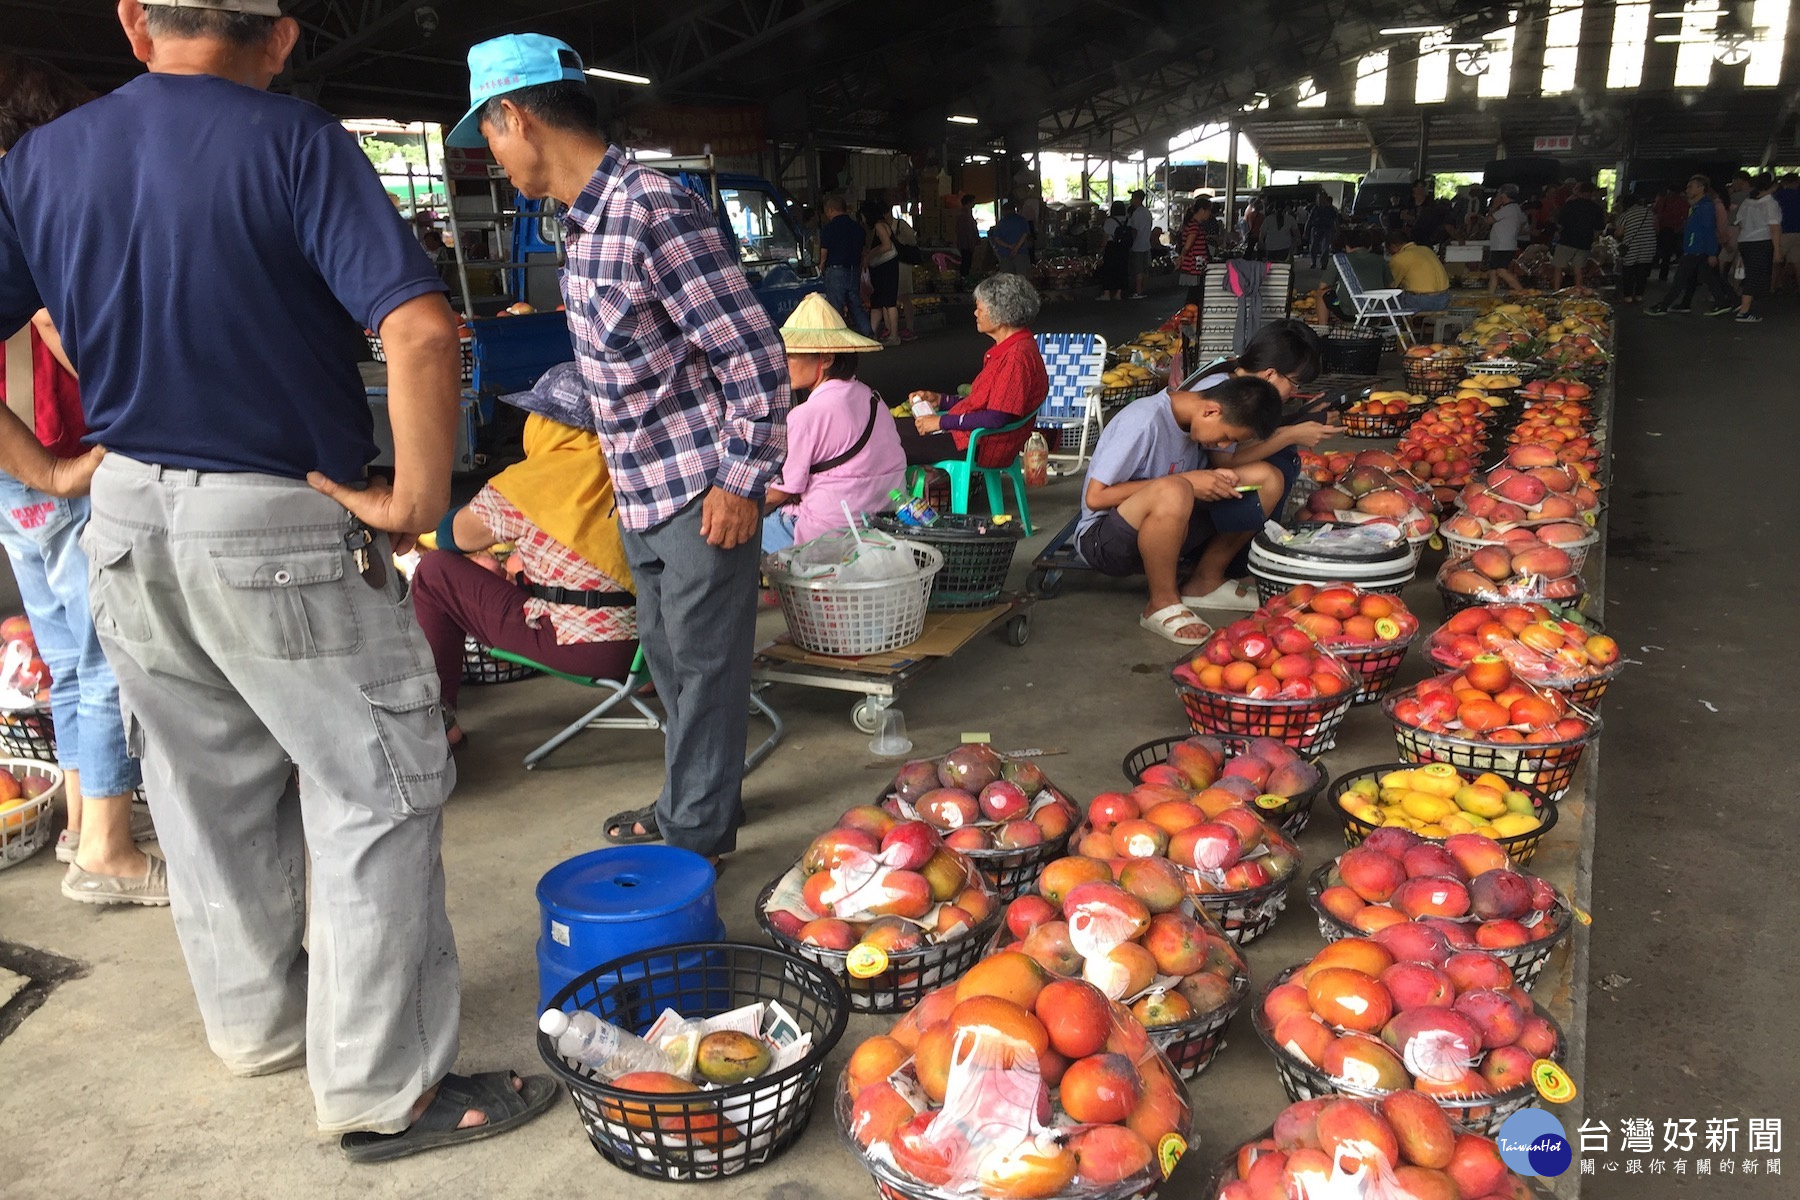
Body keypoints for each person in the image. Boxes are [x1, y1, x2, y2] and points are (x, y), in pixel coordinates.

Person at [1, 1, 561, 1158]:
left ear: (134, 24)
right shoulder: (295, 143)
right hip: (271, 518)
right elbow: (416, 331)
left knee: (205, 789)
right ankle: (381, 1092)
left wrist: (46, 466)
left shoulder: (44, 158)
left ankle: (257, 1026)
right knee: (378, 789)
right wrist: (414, 502)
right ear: (285, 36)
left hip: (124, 512)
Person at [450, 38, 788, 859]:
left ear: (515, 118)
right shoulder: (578, 223)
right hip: (639, 492)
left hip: (700, 491)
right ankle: (690, 805)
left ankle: (695, 835)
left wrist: (741, 482)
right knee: (673, 668)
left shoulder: (651, 209)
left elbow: (752, 354)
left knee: (706, 673)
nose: (491, 158)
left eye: (488, 136)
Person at [0, 52, 164, 907]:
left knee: (67, 653)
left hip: (15, 479)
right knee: (105, 651)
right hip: (52, 464)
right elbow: (72, 337)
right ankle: (106, 847)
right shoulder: (28, 208)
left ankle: (78, 820)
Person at [411, 367, 638, 748]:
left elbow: (451, 536)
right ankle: (645, 685)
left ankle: (439, 721)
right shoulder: (629, 469)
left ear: (548, 426)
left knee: (435, 574)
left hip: (581, 647)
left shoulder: (534, 480)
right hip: (647, 645)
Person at [1074, 376, 1282, 645]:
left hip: (1170, 534)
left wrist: (1209, 480)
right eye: (1226, 437)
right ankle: (1161, 603)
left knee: (1267, 477)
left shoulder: (1194, 424)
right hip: (1105, 541)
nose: (1222, 446)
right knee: (1175, 489)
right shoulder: (1144, 421)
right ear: (1210, 411)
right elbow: (1096, 497)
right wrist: (1190, 481)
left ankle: (1205, 580)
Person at [762, 294, 905, 551]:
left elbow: (784, 489)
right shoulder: (874, 399)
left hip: (828, 533)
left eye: (793, 355)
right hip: (881, 522)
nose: (784, 364)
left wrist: (741, 509)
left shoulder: (805, 415)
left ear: (826, 359)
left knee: (742, 533)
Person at [899, 274, 1046, 468]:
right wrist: (942, 400)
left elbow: (996, 417)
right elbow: (984, 403)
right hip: (972, 438)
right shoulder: (1012, 349)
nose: (975, 313)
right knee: (887, 430)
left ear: (1000, 314)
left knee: (885, 441)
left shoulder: (1015, 358)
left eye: (980, 308)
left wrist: (941, 422)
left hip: (980, 445)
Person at [1647, 175, 1735, 317]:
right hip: (1696, 248)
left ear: (1701, 188)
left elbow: (1708, 230)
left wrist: (1712, 252)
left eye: (1691, 187)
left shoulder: (1704, 207)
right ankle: (1727, 301)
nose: (1687, 190)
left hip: (1696, 249)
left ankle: (1664, 305)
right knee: (1709, 277)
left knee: (1680, 279)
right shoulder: (1697, 206)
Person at [1729, 172, 1781, 323]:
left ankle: (1746, 305)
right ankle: (1745, 311)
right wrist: (1777, 250)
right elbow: (1774, 228)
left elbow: (1739, 223)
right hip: (1761, 242)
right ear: (1773, 185)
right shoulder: (1770, 203)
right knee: (1756, 276)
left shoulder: (1748, 201)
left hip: (1745, 241)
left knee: (1751, 274)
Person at [817, 193, 872, 336]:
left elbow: (824, 253)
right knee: (856, 306)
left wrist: (821, 267)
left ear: (830, 210)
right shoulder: (857, 228)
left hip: (835, 272)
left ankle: (840, 338)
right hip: (854, 271)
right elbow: (863, 251)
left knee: (836, 308)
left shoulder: (829, 229)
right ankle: (868, 333)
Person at [1550, 182, 1607, 290]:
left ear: (1580, 191)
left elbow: (1560, 223)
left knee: (1558, 269)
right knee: (1578, 271)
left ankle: (1556, 293)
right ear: (1592, 193)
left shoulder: (1570, 205)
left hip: (1566, 240)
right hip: (1584, 243)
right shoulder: (1597, 209)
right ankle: (1577, 295)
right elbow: (1600, 228)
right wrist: (1592, 237)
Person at [863, 200, 902, 346]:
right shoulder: (881, 224)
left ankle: (894, 336)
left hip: (886, 266)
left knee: (889, 302)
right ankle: (872, 334)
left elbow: (886, 246)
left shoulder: (879, 225)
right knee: (877, 302)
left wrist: (870, 254)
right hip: (881, 266)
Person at [1383, 230, 1451, 311]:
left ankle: (1393, 323)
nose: (1389, 253)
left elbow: (1391, 286)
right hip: (1444, 298)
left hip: (1422, 301)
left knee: (1387, 301)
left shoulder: (1399, 258)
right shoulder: (1426, 249)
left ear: (1393, 246)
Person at [1613, 191, 1657, 304]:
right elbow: (1657, 228)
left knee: (1628, 271)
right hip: (1648, 245)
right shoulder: (1649, 212)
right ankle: (1639, 295)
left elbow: (1619, 233)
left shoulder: (1626, 215)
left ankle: (1628, 296)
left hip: (1631, 246)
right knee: (1642, 271)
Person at [1485, 187, 1527, 293]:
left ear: (1503, 196)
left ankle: (1521, 292)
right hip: (1503, 243)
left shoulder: (1507, 209)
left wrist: (1494, 206)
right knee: (1493, 272)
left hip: (1502, 245)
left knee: (1501, 271)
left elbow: (1489, 220)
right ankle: (1491, 293)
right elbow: (1523, 221)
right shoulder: (1517, 208)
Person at [1176, 196, 1216, 306]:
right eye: (1208, 211)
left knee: (1195, 294)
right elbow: (1188, 245)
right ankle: (1190, 316)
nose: (1209, 214)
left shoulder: (1194, 224)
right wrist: (1182, 257)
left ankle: (1191, 315)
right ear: (1202, 210)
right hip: (1195, 265)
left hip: (1197, 264)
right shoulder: (1194, 225)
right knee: (1195, 294)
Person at [891, 206, 920, 340]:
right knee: (900, 297)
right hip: (895, 264)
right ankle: (903, 328)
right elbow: (913, 240)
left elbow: (912, 240)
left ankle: (907, 328)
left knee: (902, 297)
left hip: (900, 263)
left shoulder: (898, 224)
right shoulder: (893, 225)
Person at [1652, 182, 1688, 282]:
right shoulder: (1681, 202)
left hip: (1663, 229)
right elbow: (1685, 218)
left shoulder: (1663, 200)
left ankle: (1659, 271)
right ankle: (1664, 275)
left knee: (1661, 252)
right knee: (1668, 254)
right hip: (1672, 230)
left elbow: (1655, 212)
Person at [1097, 201, 1131, 300]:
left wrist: (1101, 249)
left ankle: (1107, 293)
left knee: (1109, 270)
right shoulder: (1128, 219)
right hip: (1124, 247)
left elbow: (1106, 237)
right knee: (1122, 269)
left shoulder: (1109, 221)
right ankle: (1118, 293)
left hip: (1112, 247)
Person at [1773, 173, 1800, 294]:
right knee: (1797, 261)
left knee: (1776, 260)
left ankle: (1774, 285)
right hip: (1798, 231)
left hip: (1783, 231)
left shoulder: (1778, 196)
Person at [989, 200, 1031, 276]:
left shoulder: (1001, 223)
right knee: (1022, 278)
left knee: (1007, 279)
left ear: (1004, 211)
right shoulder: (1021, 220)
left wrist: (1009, 246)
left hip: (1005, 254)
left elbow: (997, 239)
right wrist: (1016, 248)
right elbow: (1025, 235)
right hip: (1021, 253)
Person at [1127, 189, 1155, 297]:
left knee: (1138, 270)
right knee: (1145, 270)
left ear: (1137, 199)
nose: (1131, 200)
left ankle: (1138, 292)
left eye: (1133, 198)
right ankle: (1143, 290)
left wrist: (1130, 243)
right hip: (1146, 244)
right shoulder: (1147, 212)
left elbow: (1134, 230)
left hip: (1137, 245)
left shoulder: (1136, 213)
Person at [1305, 192, 1339, 268]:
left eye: (1321, 198)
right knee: (1314, 246)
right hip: (1316, 228)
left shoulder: (1330, 209)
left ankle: (1324, 263)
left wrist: (1336, 230)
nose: (1319, 200)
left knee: (1325, 247)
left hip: (1327, 229)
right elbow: (1309, 220)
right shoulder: (1315, 208)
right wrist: (1306, 231)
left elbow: (1335, 220)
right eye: (1318, 198)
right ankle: (1313, 262)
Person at [956, 193, 979, 284]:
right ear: (969, 202)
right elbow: (967, 231)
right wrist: (971, 243)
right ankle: (963, 282)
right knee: (966, 263)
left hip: (965, 243)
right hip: (966, 244)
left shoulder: (966, 214)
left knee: (966, 263)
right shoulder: (964, 215)